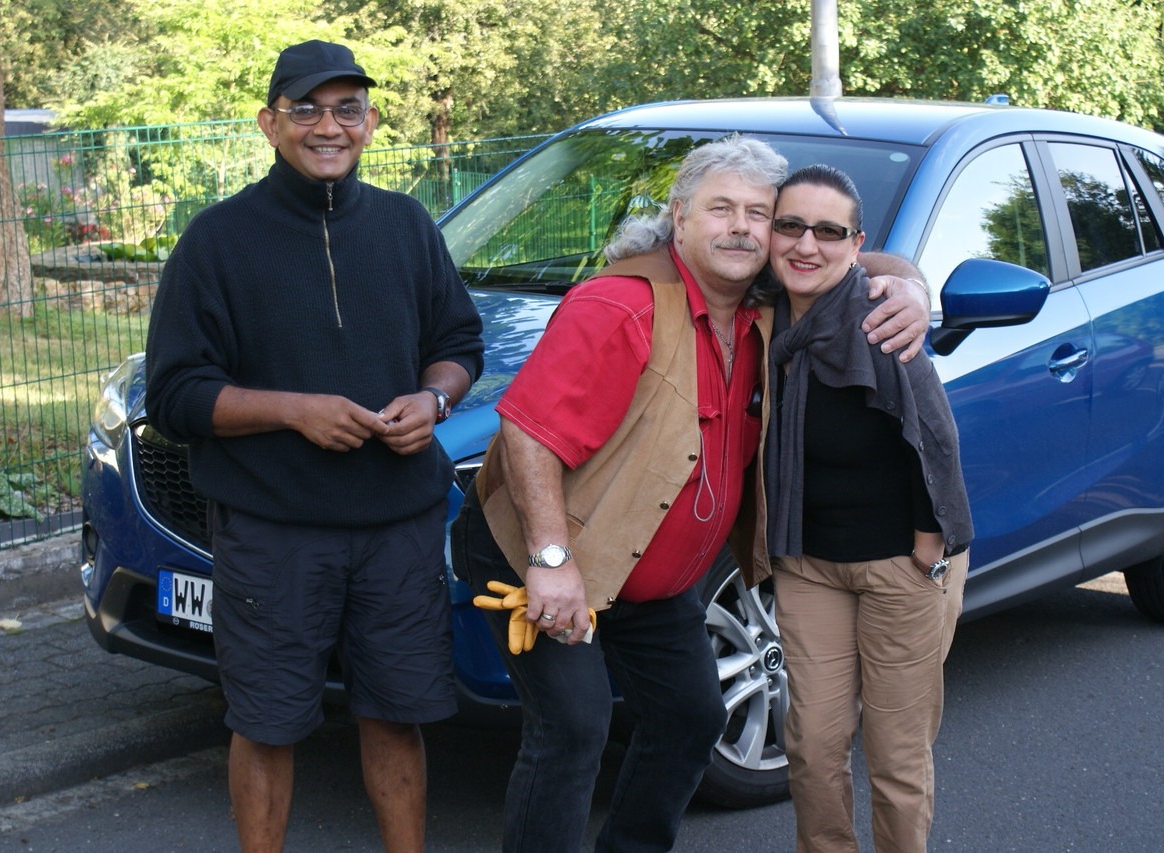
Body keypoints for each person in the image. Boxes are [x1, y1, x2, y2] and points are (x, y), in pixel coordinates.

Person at [450, 136, 929, 852]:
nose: (740, 228)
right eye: (720, 209)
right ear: (679, 218)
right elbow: (528, 434)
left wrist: (913, 286)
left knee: (689, 718)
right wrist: (551, 560)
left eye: (758, 214)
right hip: (548, 552)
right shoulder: (620, 306)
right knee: (573, 726)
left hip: (652, 575)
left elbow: (854, 257)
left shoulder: (768, 302)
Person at [144, 40, 484, 852]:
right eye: (305, 109)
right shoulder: (216, 240)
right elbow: (175, 396)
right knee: (266, 722)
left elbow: (458, 343)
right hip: (273, 531)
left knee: (395, 714)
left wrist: (434, 398)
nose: (327, 126)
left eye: (346, 109)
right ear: (270, 124)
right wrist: (293, 411)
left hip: (397, 523)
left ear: (370, 123)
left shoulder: (406, 225)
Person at [763, 164, 972, 853]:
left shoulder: (879, 319)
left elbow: (935, 439)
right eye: (790, 225)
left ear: (856, 245)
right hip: (808, 563)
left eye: (828, 231)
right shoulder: (759, 314)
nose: (805, 245)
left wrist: (925, 550)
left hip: (898, 565)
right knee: (812, 745)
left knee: (895, 756)